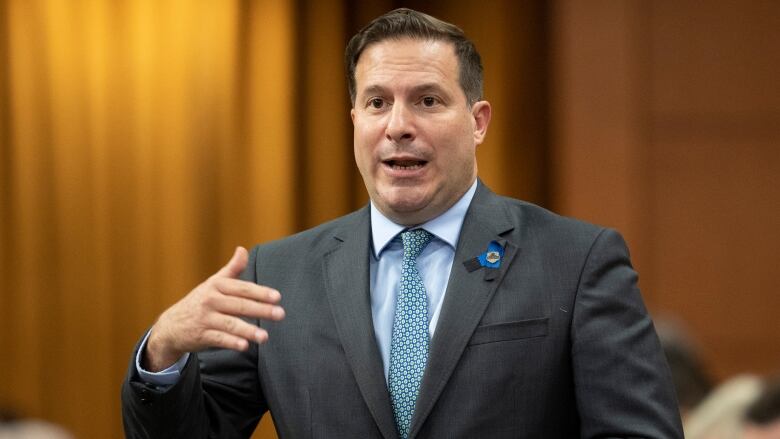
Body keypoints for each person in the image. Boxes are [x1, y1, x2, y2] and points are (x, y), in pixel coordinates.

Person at [122, 8, 683, 438]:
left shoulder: (576, 262)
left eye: (428, 100)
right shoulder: (279, 274)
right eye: (376, 103)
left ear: (478, 121)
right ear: (354, 120)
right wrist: (164, 352)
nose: (398, 126)